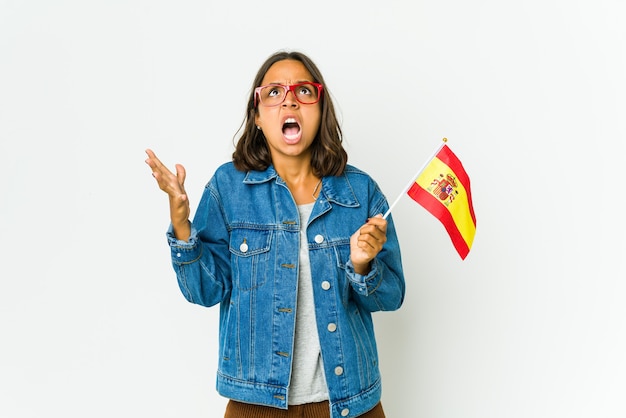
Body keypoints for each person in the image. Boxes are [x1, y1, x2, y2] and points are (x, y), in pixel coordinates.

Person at [145, 50, 406, 418]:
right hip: (256, 405)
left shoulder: (359, 193)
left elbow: (393, 295)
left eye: (303, 91)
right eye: (273, 92)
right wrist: (182, 224)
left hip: (349, 404)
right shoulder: (228, 188)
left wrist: (363, 267)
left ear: (320, 108)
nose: (289, 100)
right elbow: (204, 291)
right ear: (257, 117)